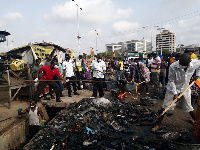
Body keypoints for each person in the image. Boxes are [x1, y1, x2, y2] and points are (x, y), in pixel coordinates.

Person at [152, 53, 200, 131]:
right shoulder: (173, 66)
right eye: (180, 64)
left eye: (183, 65)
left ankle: (198, 125)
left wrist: (197, 74)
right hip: (173, 88)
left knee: (189, 107)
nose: (181, 67)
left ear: (189, 62)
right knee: (165, 106)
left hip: (185, 88)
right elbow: (171, 81)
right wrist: (175, 93)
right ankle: (158, 124)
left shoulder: (195, 63)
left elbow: (199, 67)